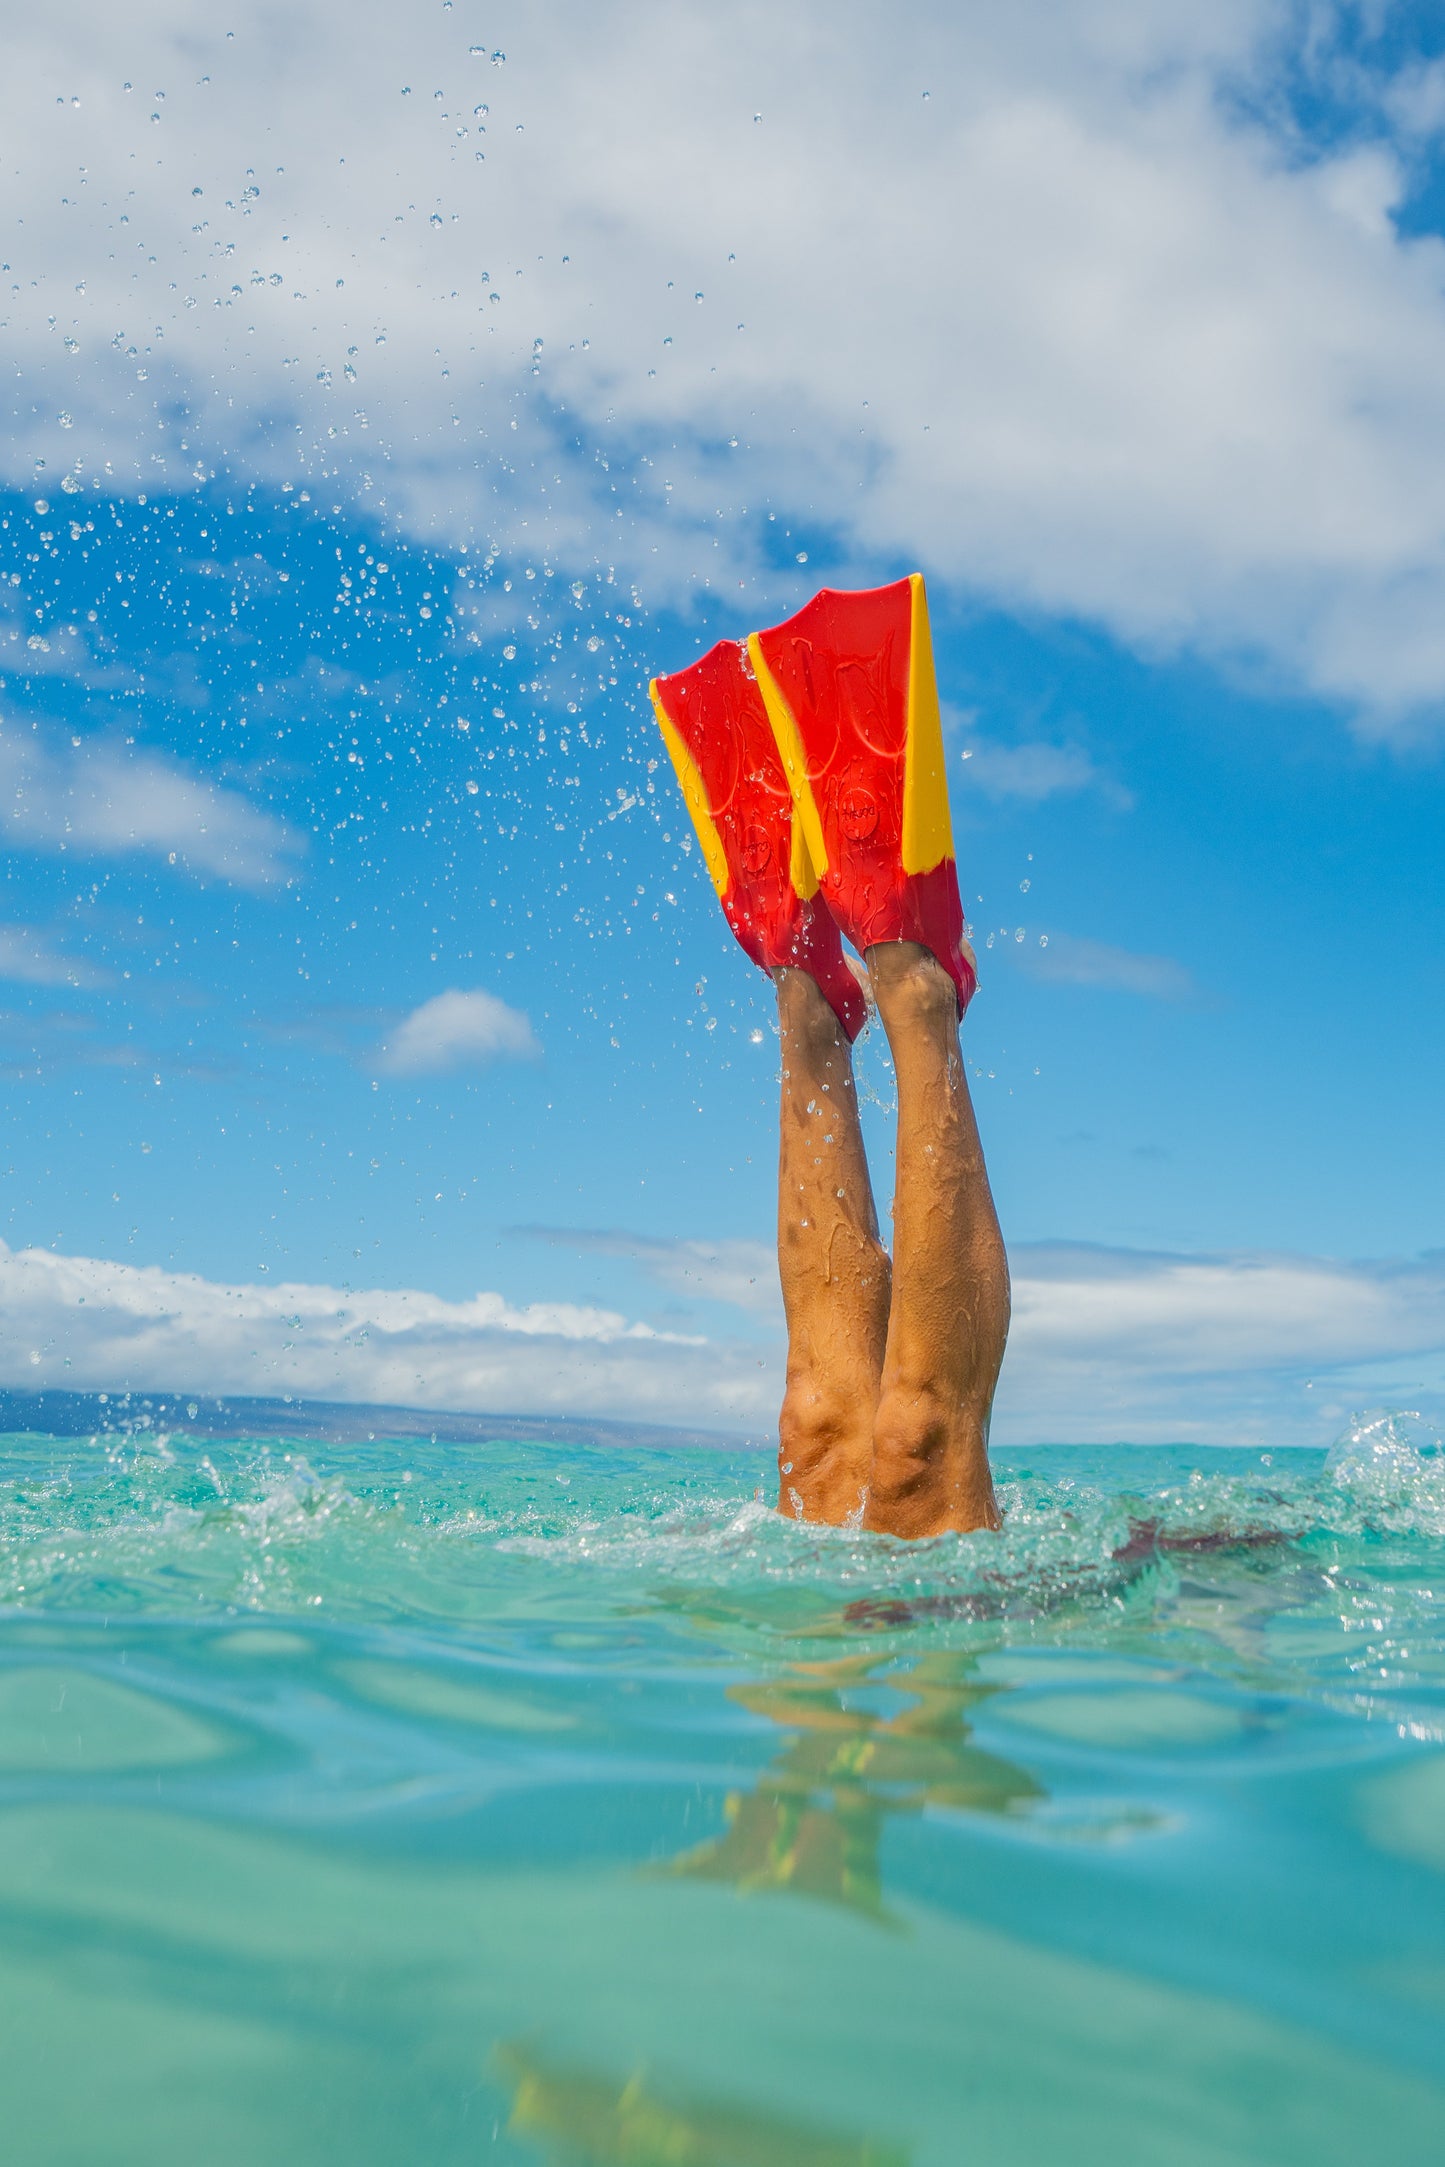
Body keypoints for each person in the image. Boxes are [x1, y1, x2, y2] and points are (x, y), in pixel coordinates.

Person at [651, 576, 1009, 1539]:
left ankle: (907, 989)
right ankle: (813, 988)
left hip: (943, 1620)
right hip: (887, 1625)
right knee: (818, 1436)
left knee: (907, 1446)